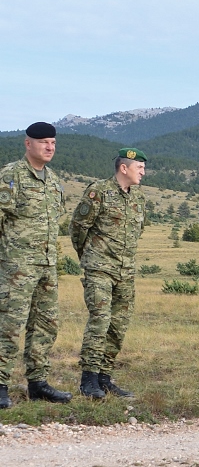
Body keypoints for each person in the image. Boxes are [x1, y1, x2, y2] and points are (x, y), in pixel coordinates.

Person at [0, 122, 71, 408]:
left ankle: (38, 383)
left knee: (45, 324)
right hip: (16, 266)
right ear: (28, 144)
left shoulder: (53, 181)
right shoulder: (11, 175)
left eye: (53, 142)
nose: (49, 147)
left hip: (46, 265)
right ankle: (0, 384)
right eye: (43, 142)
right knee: (9, 324)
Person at [70, 147, 148, 400]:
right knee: (100, 320)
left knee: (118, 325)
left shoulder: (138, 198)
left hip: (125, 271)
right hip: (99, 268)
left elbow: (137, 232)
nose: (143, 173)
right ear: (123, 168)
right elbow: (78, 228)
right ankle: (88, 379)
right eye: (140, 168)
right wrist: (90, 258)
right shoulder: (99, 192)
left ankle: (104, 377)